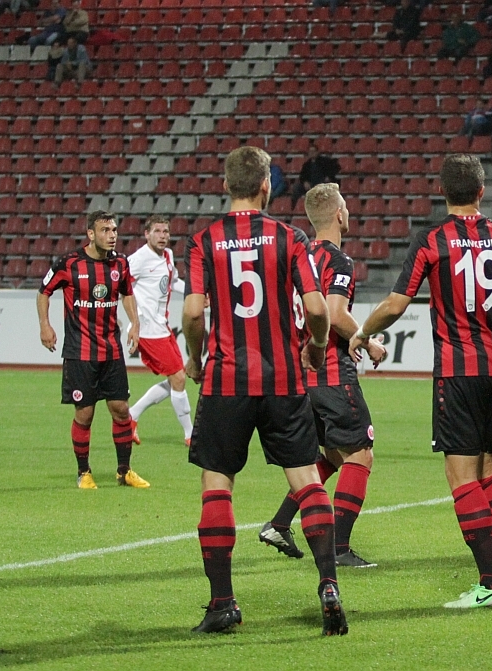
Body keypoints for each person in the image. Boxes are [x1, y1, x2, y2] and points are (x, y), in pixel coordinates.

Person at [349, 154, 492, 608]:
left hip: (458, 369)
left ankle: (490, 583)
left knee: (461, 475)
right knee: (489, 470)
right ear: (481, 191)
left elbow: (396, 304)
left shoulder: (432, 240)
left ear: (444, 193)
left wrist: (363, 332)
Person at [182, 146, 348, 636]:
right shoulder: (290, 237)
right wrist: (316, 346)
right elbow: (316, 308)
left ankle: (223, 603)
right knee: (307, 480)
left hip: (226, 380)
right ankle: (329, 584)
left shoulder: (204, 240)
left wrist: (195, 356)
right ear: (265, 186)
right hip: (282, 379)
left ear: (226, 186)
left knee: (217, 484)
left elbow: (192, 313)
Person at [260, 184, 387, 569]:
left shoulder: (296, 257)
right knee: (360, 454)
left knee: (331, 455)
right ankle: (340, 547)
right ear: (338, 214)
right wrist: (367, 340)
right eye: (345, 206)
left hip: (301, 374)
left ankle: (279, 524)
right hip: (331, 371)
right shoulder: (337, 260)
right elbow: (334, 313)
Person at [37, 210, 148, 490]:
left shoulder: (120, 263)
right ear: (90, 234)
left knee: (121, 409)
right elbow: (44, 291)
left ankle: (124, 471)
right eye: (105, 230)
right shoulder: (69, 263)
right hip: (80, 352)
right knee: (85, 414)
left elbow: (127, 293)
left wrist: (135, 324)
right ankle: (83, 472)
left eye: (114, 230)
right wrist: (45, 326)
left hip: (111, 351)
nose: (112, 236)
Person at [127, 215, 194, 447]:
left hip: (161, 327)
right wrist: (134, 322)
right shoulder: (138, 259)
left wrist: (195, 294)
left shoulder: (167, 255)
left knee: (177, 377)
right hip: (147, 330)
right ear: (147, 234)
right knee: (178, 377)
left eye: (166, 231)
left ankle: (132, 415)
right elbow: (121, 286)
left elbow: (172, 282)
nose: (162, 236)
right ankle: (190, 434)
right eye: (157, 231)